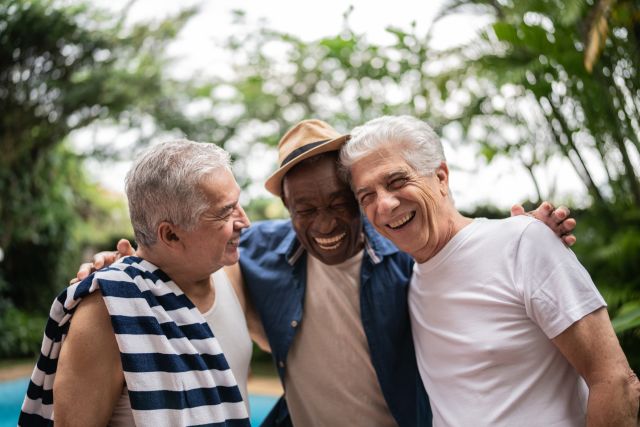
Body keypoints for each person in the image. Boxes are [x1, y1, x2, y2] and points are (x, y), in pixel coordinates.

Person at [75, 120, 577, 427]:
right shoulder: (256, 252)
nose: (325, 223)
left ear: (360, 198)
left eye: (341, 203)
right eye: (305, 210)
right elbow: (179, 248)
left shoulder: (406, 256)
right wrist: (121, 266)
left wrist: (517, 232)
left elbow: (454, 243)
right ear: (286, 209)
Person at [339, 115, 640, 426]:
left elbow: (615, 381)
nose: (384, 204)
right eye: (367, 197)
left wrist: (527, 233)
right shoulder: (407, 283)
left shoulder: (523, 243)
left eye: (397, 181)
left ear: (441, 177)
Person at [20, 140, 252, 427]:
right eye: (225, 212)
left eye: (237, 203)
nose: (245, 221)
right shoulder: (108, 310)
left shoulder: (232, 273)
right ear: (170, 236)